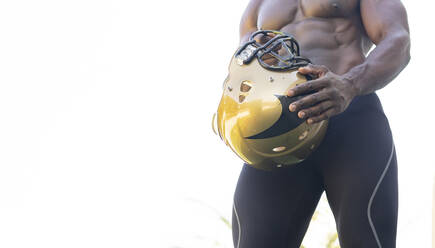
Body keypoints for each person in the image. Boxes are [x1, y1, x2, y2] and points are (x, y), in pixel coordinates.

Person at [231, 0, 410, 247]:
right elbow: (243, 63)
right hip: (279, 132)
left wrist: (350, 84)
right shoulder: (258, 4)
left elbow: (397, 39)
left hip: (350, 119)